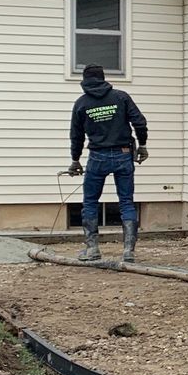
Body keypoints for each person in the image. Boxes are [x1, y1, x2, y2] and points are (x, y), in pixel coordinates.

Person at [67, 64, 148, 263]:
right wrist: (142, 145)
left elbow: (76, 136)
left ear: (85, 81)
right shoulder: (121, 97)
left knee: (90, 202)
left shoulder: (81, 103)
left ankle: (92, 248)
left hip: (97, 157)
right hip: (123, 154)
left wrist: (75, 160)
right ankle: (129, 251)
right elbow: (140, 122)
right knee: (126, 202)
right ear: (103, 79)